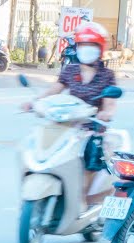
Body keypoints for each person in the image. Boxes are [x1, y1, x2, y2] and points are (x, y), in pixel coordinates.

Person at [21, 22, 118, 205]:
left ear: (100, 49)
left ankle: (82, 198)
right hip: (67, 125)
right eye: (83, 45)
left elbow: (110, 103)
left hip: (92, 127)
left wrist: (106, 113)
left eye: (91, 46)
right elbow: (53, 91)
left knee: (91, 156)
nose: (86, 50)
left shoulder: (107, 75)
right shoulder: (70, 70)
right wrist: (35, 102)